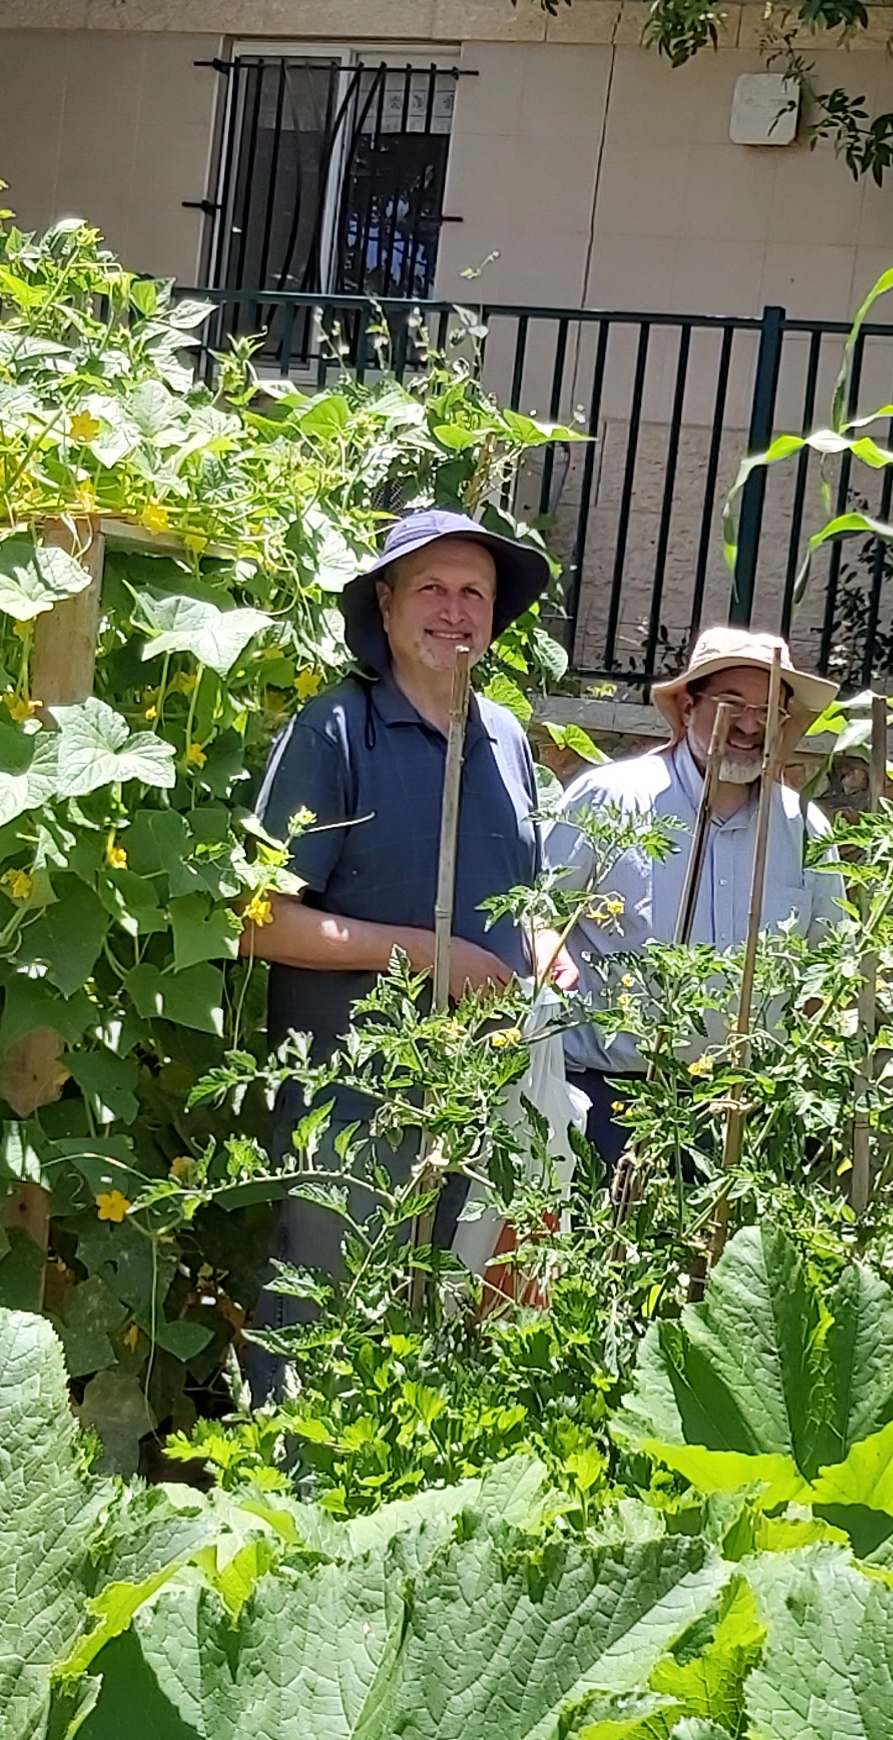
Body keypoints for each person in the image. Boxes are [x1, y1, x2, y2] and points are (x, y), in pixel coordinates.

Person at [235, 507, 567, 1386]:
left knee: (449, 1310)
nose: (453, 611)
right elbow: (259, 921)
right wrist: (425, 955)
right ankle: (284, 1505)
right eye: (431, 589)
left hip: (481, 1088)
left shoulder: (504, 741)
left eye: (474, 593)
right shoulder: (336, 732)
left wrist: (542, 941)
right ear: (384, 607)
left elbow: (516, 890)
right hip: (350, 1093)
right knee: (329, 1308)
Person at [548, 625, 847, 1167]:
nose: (750, 726)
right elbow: (539, 911)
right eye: (733, 704)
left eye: (768, 711)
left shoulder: (802, 828)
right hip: (610, 1103)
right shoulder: (613, 798)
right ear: (688, 706)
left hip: (743, 1111)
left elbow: (827, 967)